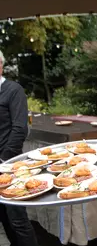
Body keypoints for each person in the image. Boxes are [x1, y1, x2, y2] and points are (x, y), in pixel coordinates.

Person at [0, 50, 38, 246]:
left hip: (9, 166)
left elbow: (19, 128)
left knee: (18, 220)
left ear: (0, 65)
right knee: (4, 219)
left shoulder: (13, 90)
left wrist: (4, 159)